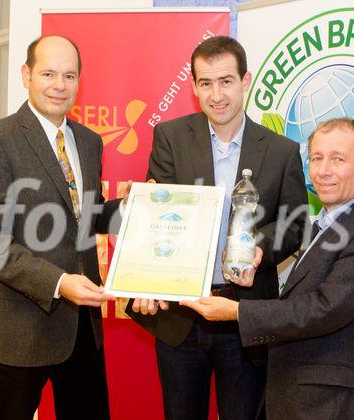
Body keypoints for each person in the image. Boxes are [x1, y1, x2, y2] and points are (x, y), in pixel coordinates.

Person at [126, 35, 308, 420]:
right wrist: (146, 283)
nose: (216, 95)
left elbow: (296, 224)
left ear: (246, 81)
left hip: (245, 315)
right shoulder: (171, 138)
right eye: (205, 83)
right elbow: (157, 220)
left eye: (226, 81)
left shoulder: (281, 150)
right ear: (193, 87)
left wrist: (259, 247)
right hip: (180, 314)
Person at [182, 117, 354, 420]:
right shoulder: (327, 224)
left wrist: (236, 312)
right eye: (316, 158)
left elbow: (324, 310)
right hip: (298, 396)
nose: (323, 170)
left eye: (338, 159)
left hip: (333, 403)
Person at [0, 35, 123, 420]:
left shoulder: (88, 141)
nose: (59, 85)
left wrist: (134, 210)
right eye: (48, 73)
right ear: (26, 75)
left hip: (81, 329)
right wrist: (59, 283)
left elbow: (86, 218)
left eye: (69, 75)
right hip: (15, 330)